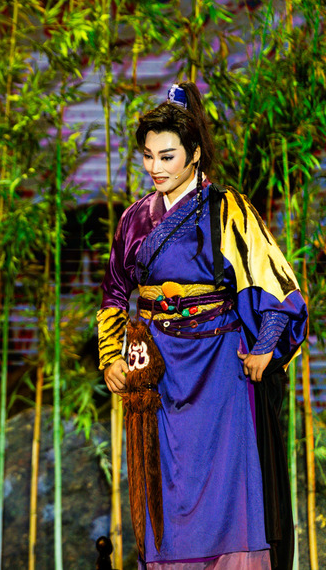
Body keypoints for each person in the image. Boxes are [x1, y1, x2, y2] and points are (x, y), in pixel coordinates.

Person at [97, 82, 307, 570]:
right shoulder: (134, 219)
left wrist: (266, 346)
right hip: (157, 370)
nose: (155, 167)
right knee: (163, 493)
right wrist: (110, 356)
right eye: (148, 156)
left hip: (217, 368)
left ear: (194, 154)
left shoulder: (227, 208)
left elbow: (277, 284)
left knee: (227, 489)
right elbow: (113, 293)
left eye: (167, 156)